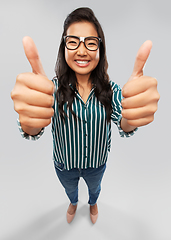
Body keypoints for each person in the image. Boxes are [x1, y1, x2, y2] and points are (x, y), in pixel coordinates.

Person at [11, 7, 160, 224]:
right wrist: (27, 123)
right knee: (70, 189)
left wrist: (132, 117)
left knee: (95, 188)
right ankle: (73, 202)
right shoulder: (49, 89)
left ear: (100, 49)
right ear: (64, 47)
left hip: (97, 163)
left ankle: (92, 202)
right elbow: (35, 124)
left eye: (91, 42)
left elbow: (125, 122)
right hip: (65, 164)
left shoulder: (112, 90)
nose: (82, 51)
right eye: (73, 41)